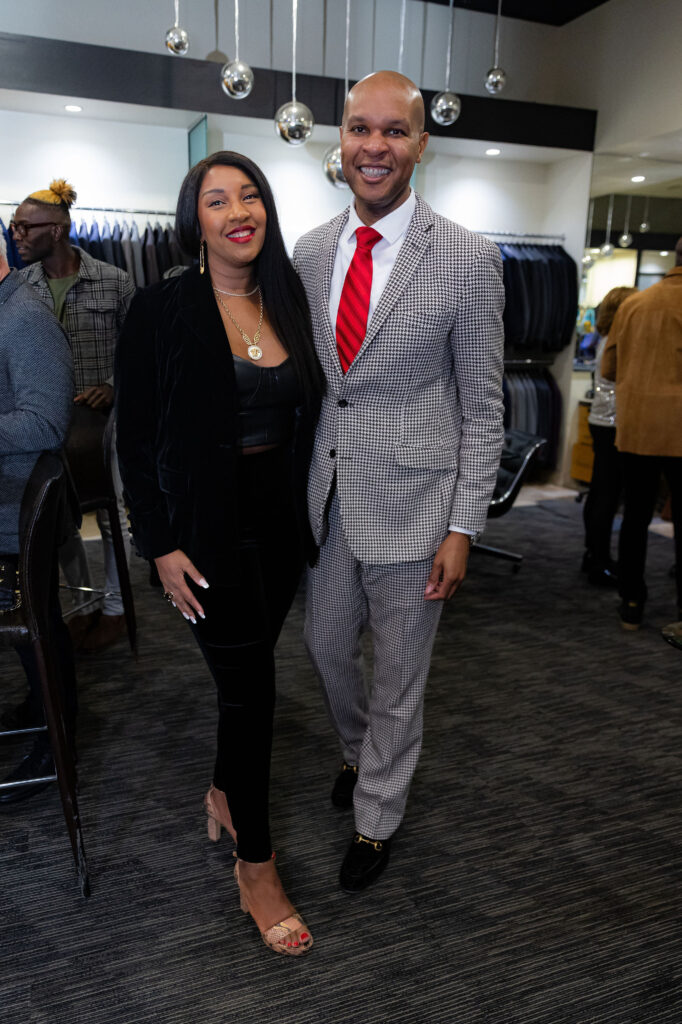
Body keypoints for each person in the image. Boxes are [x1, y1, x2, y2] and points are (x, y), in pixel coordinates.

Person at [293, 71, 505, 892]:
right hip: (327, 495)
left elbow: (483, 408)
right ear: (339, 140)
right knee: (323, 650)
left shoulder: (468, 257)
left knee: (400, 674)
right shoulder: (311, 252)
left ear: (420, 144)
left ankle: (378, 814)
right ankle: (357, 751)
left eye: (392, 131)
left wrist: (464, 526)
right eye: (358, 129)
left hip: (419, 507)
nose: (372, 147)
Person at [115, 152, 324, 956]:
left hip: (279, 529)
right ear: (193, 220)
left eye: (251, 196)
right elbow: (134, 441)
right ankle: (256, 868)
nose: (239, 210)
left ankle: (221, 789)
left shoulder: (289, 298)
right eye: (217, 199)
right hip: (205, 534)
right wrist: (157, 541)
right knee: (257, 693)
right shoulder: (160, 308)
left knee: (245, 689)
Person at [14, 179, 135, 653]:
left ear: (58, 229)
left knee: (111, 519)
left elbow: (138, 354)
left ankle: (114, 610)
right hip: (43, 424)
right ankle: (83, 607)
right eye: (14, 226)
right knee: (56, 519)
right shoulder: (19, 287)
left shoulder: (115, 281)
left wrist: (114, 386)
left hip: (103, 427)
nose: (17, 234)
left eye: (26, 226)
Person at [0, 231, 77, 804]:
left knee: (40, 631)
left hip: (16, 515)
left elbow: (48, 423)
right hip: (8, 503)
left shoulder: (24, 318)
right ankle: (40, 707)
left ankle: (57, 732)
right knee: (38, 641)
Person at [601, 236, 682, 639]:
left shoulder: (634, 303)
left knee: (634, 516)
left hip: (636, 424)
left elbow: (609, 367)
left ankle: (631, 602)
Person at [581, 286, 638, 586]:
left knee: (600, 489)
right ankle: (599, 560)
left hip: (601, 419)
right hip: (612, 422)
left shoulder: (605, 338)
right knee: (607, 493)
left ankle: (593, 554)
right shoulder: (620, 340)